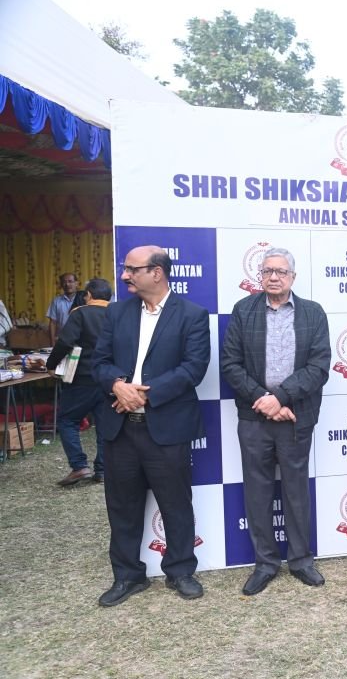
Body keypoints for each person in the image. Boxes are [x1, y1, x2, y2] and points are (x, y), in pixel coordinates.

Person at [92, 246, 211, 607]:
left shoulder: (192, 315)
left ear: (156, 272)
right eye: (126, 269)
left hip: (167, 429)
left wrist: (142, 394)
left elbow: (193, 368)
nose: (124, 275)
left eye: (132, 269)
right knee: (122, 507)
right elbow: (99, 362)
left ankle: (180, 571)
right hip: (120, 430)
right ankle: (127, 576)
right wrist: (117, 385)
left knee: (176, 505)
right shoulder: (116, 313)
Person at [221, 248, 331, 596]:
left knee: (296, 491)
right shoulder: (243, 310)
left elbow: (319, 367)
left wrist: (280, 398)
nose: (273, 277)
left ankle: (300, 561)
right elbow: (230, 364)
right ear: (260, 275)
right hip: (254, 416)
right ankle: (265, 564)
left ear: (292, 277)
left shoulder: (313, 313)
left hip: (296, 416)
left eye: (281, 272)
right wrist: (264, 400)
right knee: (257, 491)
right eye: (267, 270)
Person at [45, 278, 113, 486]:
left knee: (67, 420)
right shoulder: (118, 314)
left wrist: (51, 364)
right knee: (104, 425)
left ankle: (79, 466)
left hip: (82, 377)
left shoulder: (80, 313)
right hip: (110, 379)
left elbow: (65, 342)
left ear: (88, 295)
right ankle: (102, 470)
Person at [47, 272, 79, 345]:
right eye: (64, 282)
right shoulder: (56, 301)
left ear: (76, 283)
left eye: (70, 281)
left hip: (80, 341)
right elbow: (52, 323)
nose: (67, 284)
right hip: (62, 341)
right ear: (61, 285)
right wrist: (52, 343)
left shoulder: (83, 299)